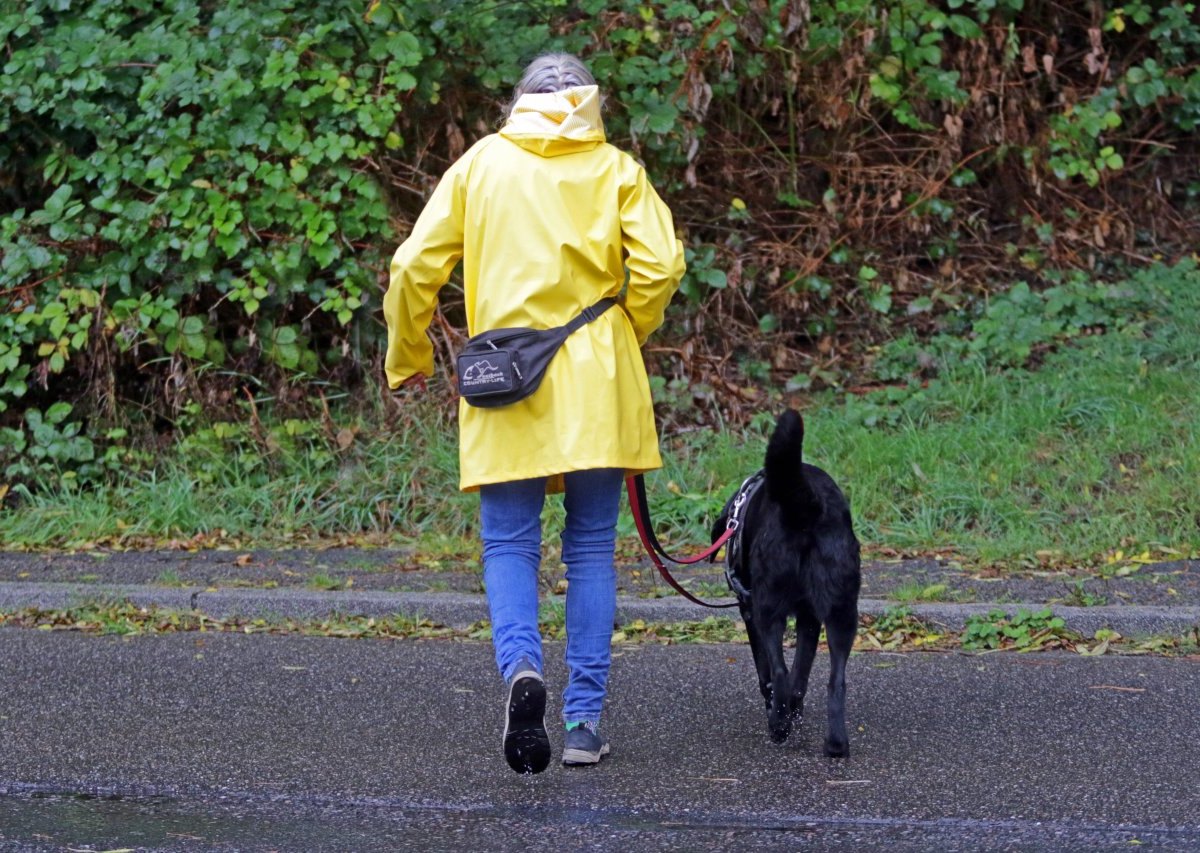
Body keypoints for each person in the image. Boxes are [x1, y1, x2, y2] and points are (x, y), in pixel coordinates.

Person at [382, 53, 684, 774]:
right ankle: (582, 722)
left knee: (509, 542)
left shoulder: (481, 165)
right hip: (598, 384)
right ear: (589, 102)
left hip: (503, 376)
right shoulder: (615, 169)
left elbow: (412, 266)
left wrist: (409, 354)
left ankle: (522, 671)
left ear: (518, 101)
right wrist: (625, 332)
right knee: (589, 548)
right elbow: (663, 264)